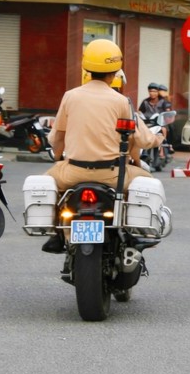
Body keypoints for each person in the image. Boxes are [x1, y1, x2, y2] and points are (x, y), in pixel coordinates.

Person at [42, 40, 162, 253]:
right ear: (115, 71)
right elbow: (139, 140)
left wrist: (59, 159)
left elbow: (58, 137)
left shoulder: (70, 96)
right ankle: (134, 233)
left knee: (47, 183)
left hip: (73, 172)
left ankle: (56, 234)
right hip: (112, 174)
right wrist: (157, 140)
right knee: (148, 180)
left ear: (86, 67)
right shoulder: (121, 101)